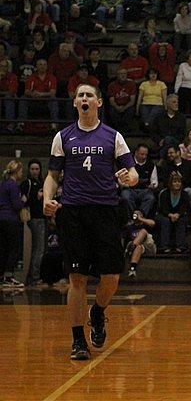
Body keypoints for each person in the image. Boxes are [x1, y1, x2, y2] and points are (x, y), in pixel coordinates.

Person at [43, 83, 139, 360]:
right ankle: (78, 341)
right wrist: (47, 199)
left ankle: (97, 311)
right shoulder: (63, 137)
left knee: (111, 276)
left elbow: (132, 173)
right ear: (75, 103)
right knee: (76, 277)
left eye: (89, 95)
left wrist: (129, 178)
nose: (84, 99)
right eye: (80, 95)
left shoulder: (113, 136)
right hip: (73, 212)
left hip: (105, 211)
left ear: (99, 102)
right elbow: (52, 175)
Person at [20, 160, 46, 286]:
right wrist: (37, 197)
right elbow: (24, 201)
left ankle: (34, 276)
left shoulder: (42, 182)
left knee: (40, 249)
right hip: (34, 218)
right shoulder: (27, 184)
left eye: (37, 169)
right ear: (28, 170)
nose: (35, 171)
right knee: (38, 249)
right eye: (32, 169)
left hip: (42, 217)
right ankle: (34, 278)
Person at [0, 160, 25, 288]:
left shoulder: (3, 184)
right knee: (14, 248)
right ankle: (8, 276)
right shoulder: (14, 185)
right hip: (11, 219)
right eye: (21, 171)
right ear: (16, 171)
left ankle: (2, 275)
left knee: (3, 248)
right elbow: (16, 205)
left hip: (1, 219)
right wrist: (23, 201)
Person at [119, 143, 158, 218]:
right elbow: (120, 180)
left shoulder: (151, 165)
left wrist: (153, 185)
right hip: (129, 189)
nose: (144, 157)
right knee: (125, 197)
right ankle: (132, 218)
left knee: (150, 198)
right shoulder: (128, 163)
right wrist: (128, 184)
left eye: (146, 155)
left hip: (144, 190)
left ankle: (140, 217)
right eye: (142, 154)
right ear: (136, 152)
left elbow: (155, 181)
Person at [156, 172, 191, 254]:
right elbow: (163, 209)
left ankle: (181, 246)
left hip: (179, 215)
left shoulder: (184, 194)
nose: (177, 184)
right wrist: (170, 215)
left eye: (179, 182)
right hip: (164, 215)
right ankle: (164, 246)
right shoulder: (164, 193)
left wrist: (178, 215)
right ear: (171, 183)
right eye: (175, 182)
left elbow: (184, 208)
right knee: (165, 221)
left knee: (181, 221)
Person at [123, 210, 157, 279]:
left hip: (148, 245)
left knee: (143, 231)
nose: (136, 215)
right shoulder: (130, 227)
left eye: (138, 214)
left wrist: (141, 219)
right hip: (138, 247)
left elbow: (152, 223)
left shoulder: (146, 224)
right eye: (135, 214)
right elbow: (124, 238)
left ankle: (132, 247)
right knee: (138, 247)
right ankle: (132, 269)